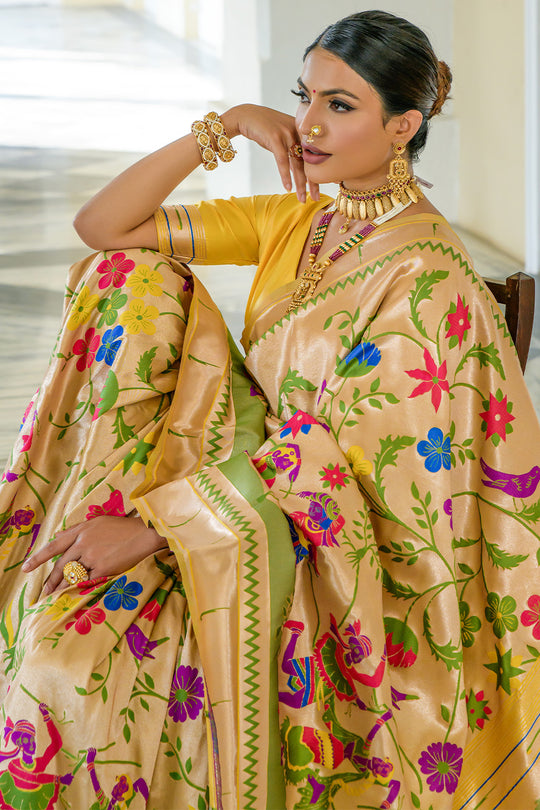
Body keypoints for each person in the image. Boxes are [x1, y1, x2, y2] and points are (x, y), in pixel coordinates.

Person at [0, 9, 539, 809]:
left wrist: (160, 525)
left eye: (341, 105)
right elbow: (104, 229)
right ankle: (75, 529)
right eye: (303, 97)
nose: (310, 125)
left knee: (68, 667)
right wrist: (222, 128)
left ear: (405, 126)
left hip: (322, 535)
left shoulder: (429, 275)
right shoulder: (302, 219)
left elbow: (364, 479)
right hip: (247, 477)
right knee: (131, 281)